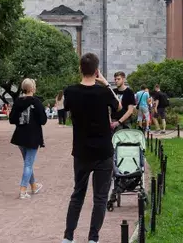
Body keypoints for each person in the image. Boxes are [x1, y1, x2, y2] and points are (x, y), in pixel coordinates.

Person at [62, 52, 121, 243]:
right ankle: (93, 239)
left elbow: (66, 109)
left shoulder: (70, 91)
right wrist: (105, 83)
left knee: (77, 194)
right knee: (100, 198)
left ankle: (68, 237)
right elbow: (119, 107)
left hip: (81, 149)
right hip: (103, 150)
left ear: (80, 68)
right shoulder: (104, 92)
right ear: (97, 71)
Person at [9, 78, 47, 200]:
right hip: (33, 136)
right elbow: (43, 120)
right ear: (33, 88)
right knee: (28, 164)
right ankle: (23, 190)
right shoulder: (36, 102)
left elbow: (12, 119)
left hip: (20, 135)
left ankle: (34, 186)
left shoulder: (18, 102)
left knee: (27, 163)